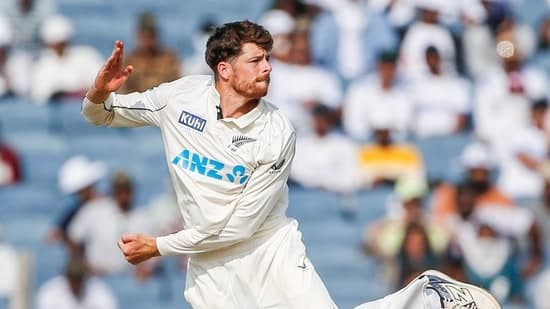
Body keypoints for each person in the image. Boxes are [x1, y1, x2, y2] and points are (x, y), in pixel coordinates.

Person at [81, 20, 500, 309]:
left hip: (269, 252)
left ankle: (428, 294)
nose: (266, 68)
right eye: (255, 60)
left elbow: (238, 226)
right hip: (210, 268)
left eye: (268, 59)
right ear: (224, 69)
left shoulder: (277, 131)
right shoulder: (180, 97)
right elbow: (102, 115)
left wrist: (160, 246)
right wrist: (98, 93)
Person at [120, 11, 181, 94]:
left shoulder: (169, 59)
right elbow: (124, 90)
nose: (148, 39)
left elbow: (177, 87)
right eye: (144, 35)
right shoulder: (129, 61)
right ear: (138, 34)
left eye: (151, 34)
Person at [36, 258, 117, 309]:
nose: (76, 283)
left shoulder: (99, 291)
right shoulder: (50, 292)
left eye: (79, 278)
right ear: (66, 277)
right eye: (72, 278)